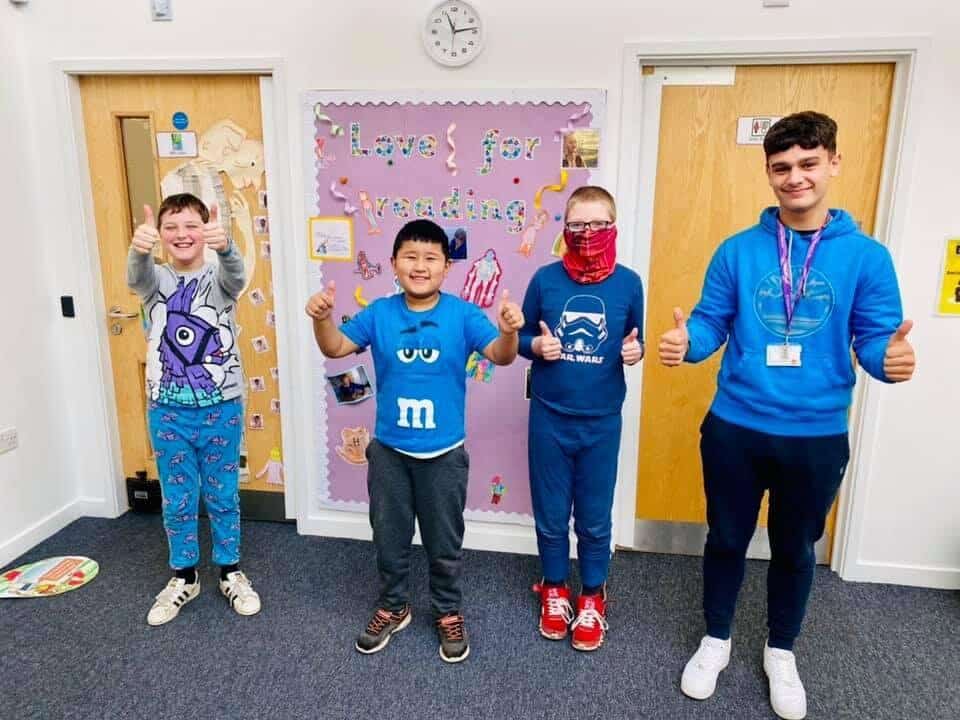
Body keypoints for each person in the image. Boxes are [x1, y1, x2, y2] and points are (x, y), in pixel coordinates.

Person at [658, 111, 916, 720]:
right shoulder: (738, 251)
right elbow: (708, 323)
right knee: (725, 538)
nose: (794, 177)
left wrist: (891, 358)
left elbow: (877, 339)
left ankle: (780, 651)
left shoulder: (867, 258)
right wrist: (685, 344)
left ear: (833, 163)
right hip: (735, 428)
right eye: (781, 168)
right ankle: (716, 639)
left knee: (796, 547)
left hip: (816, 435)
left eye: (807, 164)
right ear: (768, 174)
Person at [306, 218, 525, 663]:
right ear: (393, 263)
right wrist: (323, 318)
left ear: (446, 266)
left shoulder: (463, 314)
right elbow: (335, 348)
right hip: (389, 451)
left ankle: (447, 610)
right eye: (410, 256)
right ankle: (393, 605)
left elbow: (501, 357)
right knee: (389, 536)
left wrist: (508, 331)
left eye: (430, 258)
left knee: (445, 542)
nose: (420, 266)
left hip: (444, 454)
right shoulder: (381, 312)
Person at [517, 185, 644, 651]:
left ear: (613, 227)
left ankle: (592, 594)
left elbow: (638, 338)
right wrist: (534, 345)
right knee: (551, 516)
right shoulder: (545, 281)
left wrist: (638, 350)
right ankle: (554, 588)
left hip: (602, 421)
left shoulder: (629, 283)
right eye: (577, 224)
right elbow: (518, 339)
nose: (587, 233)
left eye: (597, 224)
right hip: (549, 418)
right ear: (564, 229)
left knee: (594, 518)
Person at [127, 192, 261, 626]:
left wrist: (226, 246)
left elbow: (237, 276)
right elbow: (136, 276)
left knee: (223, 494)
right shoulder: (155, 279)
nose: (182, 234)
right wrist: (138, 248)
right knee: (178, 497)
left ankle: (229, 571)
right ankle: (184, 576)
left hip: (221, 407)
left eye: (191, 226)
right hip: (168, 411)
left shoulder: (219, 278)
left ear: (205, 230)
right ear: (162, 235)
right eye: (172, 227)